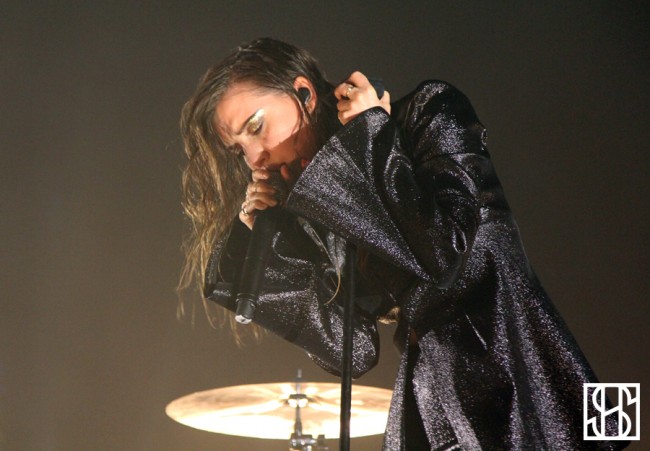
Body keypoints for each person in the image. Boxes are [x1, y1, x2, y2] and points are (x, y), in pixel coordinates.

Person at [179, 38, 626, 450]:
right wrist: (271, 249)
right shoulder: (330, 199)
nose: (254, 158)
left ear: (304, 94)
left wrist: (371, 136)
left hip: (520, 378)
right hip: (436, 401)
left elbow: (444, 253)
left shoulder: (430, 110)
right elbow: (351, 350)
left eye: (256, 127)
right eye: (239, 150)